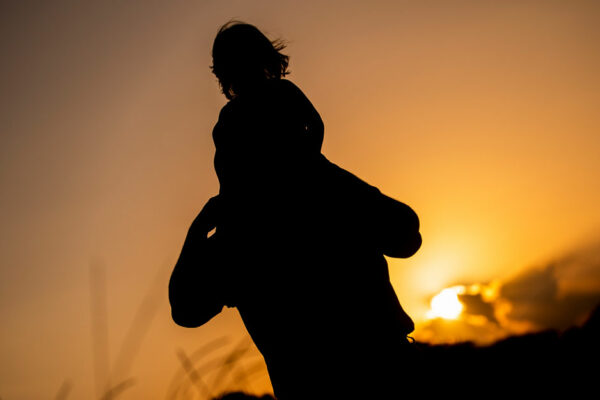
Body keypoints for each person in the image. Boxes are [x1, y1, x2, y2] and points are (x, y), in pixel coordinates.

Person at [169, 21, 422, 399]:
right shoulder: (326, 191)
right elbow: (406, 235)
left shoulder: (239, 231)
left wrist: (197, 233)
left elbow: (186, 309)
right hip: (390, 374)